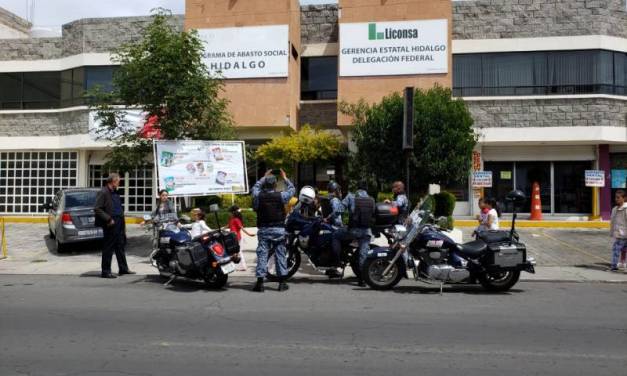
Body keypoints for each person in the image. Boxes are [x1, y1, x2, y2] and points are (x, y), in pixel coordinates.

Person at [251, 169, 296, 292]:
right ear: (275, 185)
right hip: (278, 229)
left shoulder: (258, 195)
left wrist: (263, 177)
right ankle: (282, 283)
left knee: (262, 255)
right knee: (280, 254)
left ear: (265, 184)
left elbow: (255, 188)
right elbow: (292, 190)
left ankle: (260, 283)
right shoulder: (281, 195)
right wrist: (285, 178)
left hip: (264, 229)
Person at [94, 173, 134, 278]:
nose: (119, 183)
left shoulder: (115, 192)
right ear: (113, 181)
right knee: (109, 247)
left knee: (120, 246)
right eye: (118, 181)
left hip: (119, 222)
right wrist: (108, 219)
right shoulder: (103, 192)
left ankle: (123, 268)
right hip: (110, 223)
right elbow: (97, 208)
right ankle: (106, 271)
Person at [342, 180, 375, 287]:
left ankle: (338, 260)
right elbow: (373, 213)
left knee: (335, 235)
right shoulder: (371, 200)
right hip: (366, 231)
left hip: (353, 231)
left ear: (357, 188)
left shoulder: (351, 196)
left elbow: (339, 209)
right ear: (366, 189)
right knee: (363, 254)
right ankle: (362, 279)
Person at [228, 205, 255, 271]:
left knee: (238, 252)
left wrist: (249, 234)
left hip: (236, 237)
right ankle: (235, 266)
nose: (229, 214)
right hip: (232, 238)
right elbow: (228, 226)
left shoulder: (236, 220)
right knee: (234, 252)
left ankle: (243, 266)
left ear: (233, 213)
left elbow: (241, 228)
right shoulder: (232, 220)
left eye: (230, 213)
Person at [609, 190, 627, 272]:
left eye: (618, 198)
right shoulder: (614, 209)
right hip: (618, 233)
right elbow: (612, 222)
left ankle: (614, 266)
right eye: (615, 197)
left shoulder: (625, 209)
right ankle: (621, 263)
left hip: (623, 234)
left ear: (624, 198)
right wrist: (612, 232)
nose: (616, 199)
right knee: (623, 250)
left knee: (615, 249)